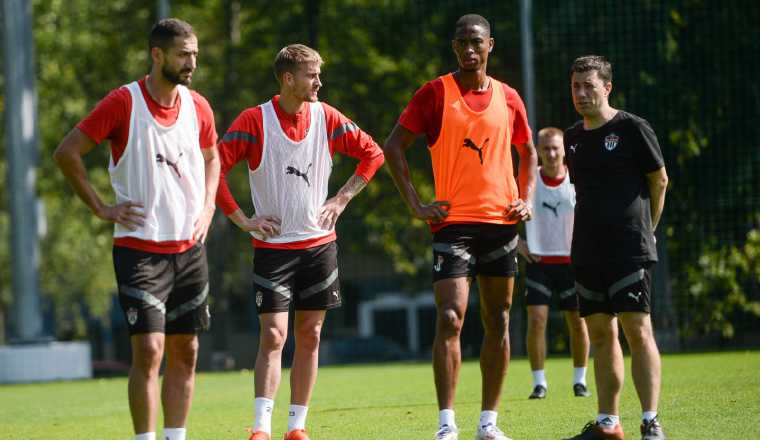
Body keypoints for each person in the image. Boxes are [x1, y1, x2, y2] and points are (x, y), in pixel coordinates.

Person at [53, 18, 219, 440]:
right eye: (184, 54)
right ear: (157, 54)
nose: (191, 62)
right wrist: (101, 208)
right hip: (139, 250)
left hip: (190, 249)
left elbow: (213, 157)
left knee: (188, 351)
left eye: (195, 54)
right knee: (149, 350)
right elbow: (67, 152)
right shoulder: (123, 102)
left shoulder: (198, 105)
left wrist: (208, 207)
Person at [215, 44, 384, 440]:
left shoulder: (326, 117)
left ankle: (297, 427)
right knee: (274, 335)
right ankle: (260, 428)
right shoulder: (254, 120)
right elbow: (214, 169)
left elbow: (372, 154)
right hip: (272, 250)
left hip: (319, 246)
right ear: (288, 78)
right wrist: (243, 220)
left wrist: (341, 199)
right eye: (312, 75)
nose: (319, 82)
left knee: (310, 335)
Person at [384, 14, 536, 440]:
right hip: (452, 225)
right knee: (450, 317)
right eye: (462, 43)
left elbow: (528, 151)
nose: (470, 50)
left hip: (501, 224)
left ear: (490, 45)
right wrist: (415, 204)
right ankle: (446, 424)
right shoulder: (435, 94)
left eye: (477, 42)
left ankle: (489, 422)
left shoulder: (508, 97)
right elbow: (393, 146)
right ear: (454, 47)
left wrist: (525, 197)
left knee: (499, 318)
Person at [561, 55, 668, 440]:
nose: (581, 93)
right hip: (587, 250)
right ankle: (608, 424)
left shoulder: (633, 128)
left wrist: (648, 229)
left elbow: (660, 181)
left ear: (608, 87)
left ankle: (650, 420)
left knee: (638, 331)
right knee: (602, 336)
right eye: (576, 86)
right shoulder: (572, 137)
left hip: (629, 248)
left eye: (589, 85)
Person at [517, 127, 591, 400]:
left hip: (572, 262)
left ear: (563, 150)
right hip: (539, 261)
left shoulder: (576, 180)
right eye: (545, 148)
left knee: (577, 320)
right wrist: (519, 244)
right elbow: (504, 209)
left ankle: (580, 380)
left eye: (555, 148)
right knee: (536, 320)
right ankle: (539, 383)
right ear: (537, 150)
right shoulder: (528, 180)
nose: (550, 153)